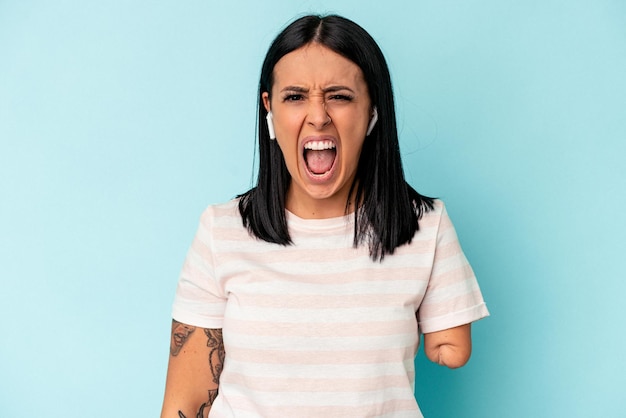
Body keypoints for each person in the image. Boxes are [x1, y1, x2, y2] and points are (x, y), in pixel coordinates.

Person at [161, 14, 489, 418]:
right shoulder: (222, 230)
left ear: (372, 110)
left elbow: (451, 346)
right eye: (295, 96)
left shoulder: (424, 226)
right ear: (270, 109)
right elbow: (187, 401)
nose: (318, 116)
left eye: (340, 96)